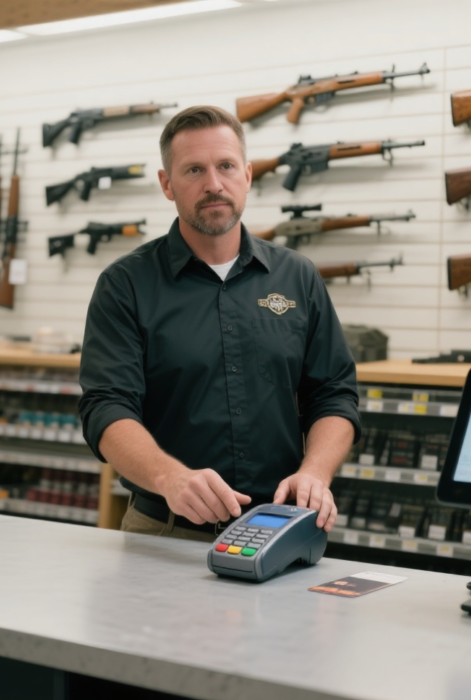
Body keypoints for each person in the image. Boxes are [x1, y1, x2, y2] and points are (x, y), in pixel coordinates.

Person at [78, 105, 360, 542]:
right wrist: (169, 477)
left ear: (247, 175)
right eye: (193, 170)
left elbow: (334, 394)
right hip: (164, 533)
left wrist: (315, 472)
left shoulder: (298, 277)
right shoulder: (125, 285)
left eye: (226, 166)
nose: (213, 184)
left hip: (282, 528)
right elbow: (106, 407)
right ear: (167, 185)